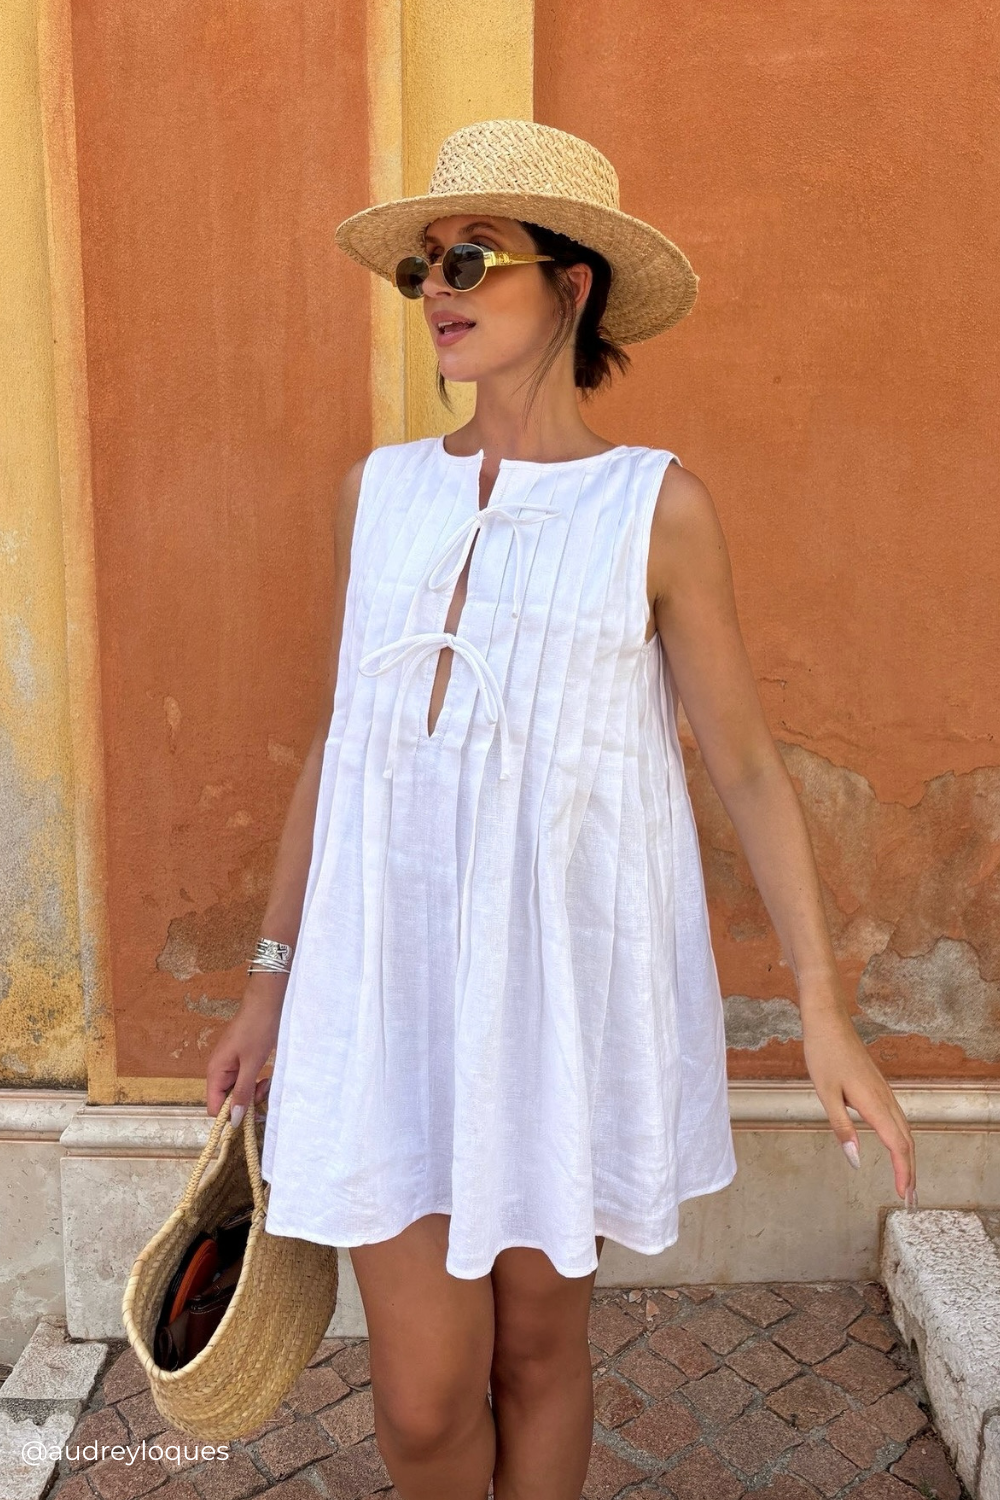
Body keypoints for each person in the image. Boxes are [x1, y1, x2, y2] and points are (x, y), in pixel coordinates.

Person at [205, 119, 917, 1500]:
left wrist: (825, 1010)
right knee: (422, 1403)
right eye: (423, 266)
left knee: (537, 1353)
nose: (438, 289)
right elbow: (342, 753)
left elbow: (746, 767)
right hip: (386, 1002)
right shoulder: (379, 496)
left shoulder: (655, 509)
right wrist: (266, 988)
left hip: (556, 1008)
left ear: (572, 286)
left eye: (472, 258)